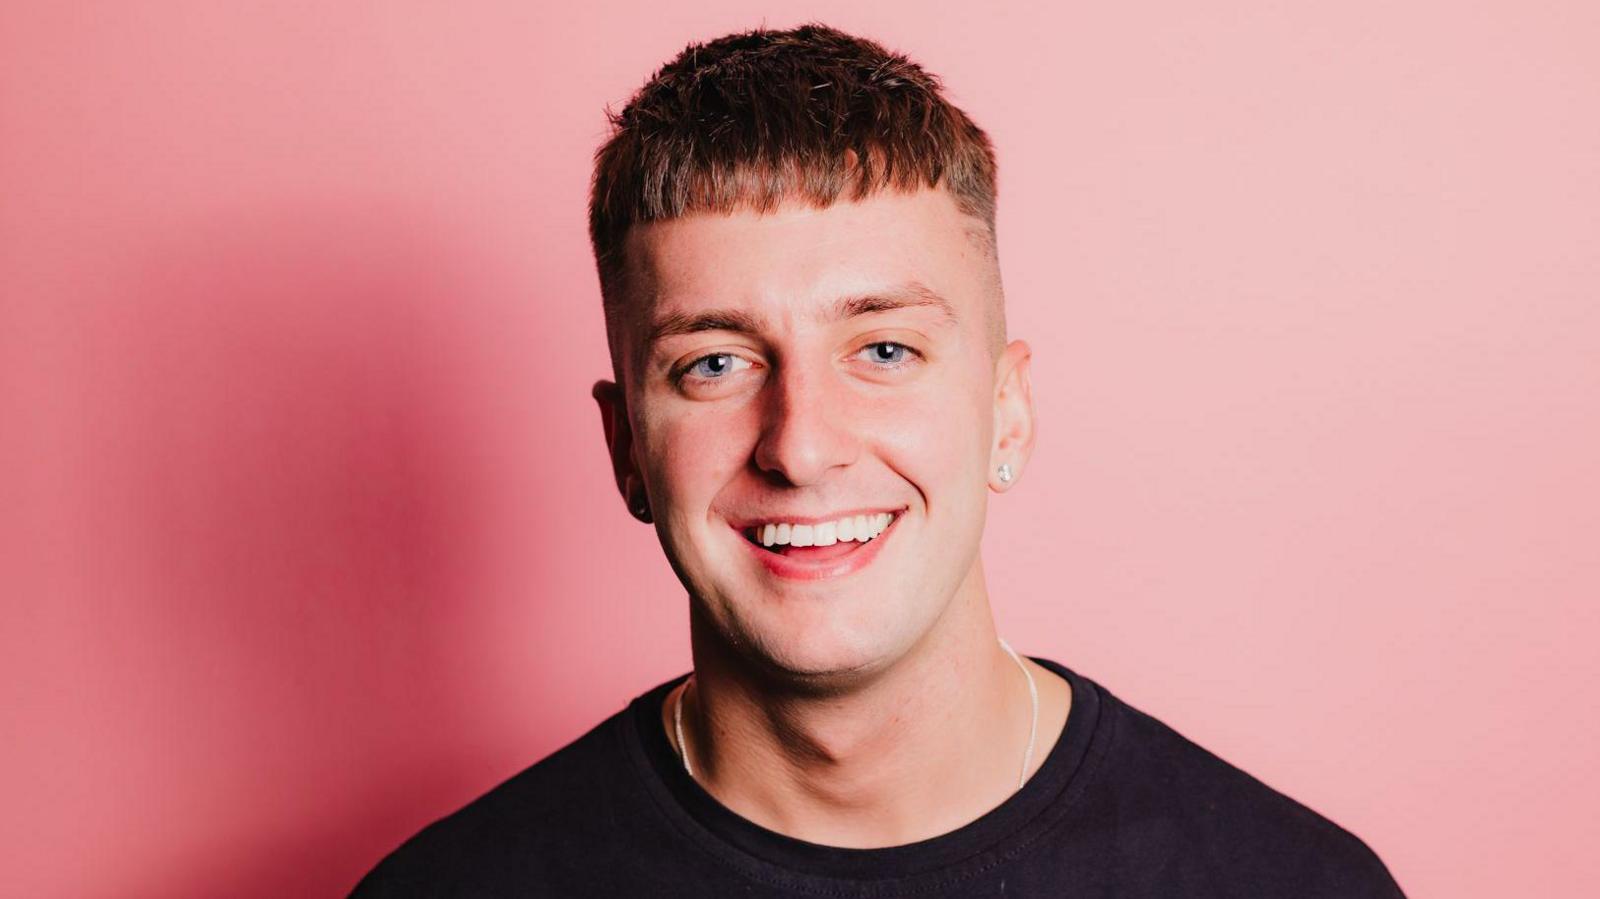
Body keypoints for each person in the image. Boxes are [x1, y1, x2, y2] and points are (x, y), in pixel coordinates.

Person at [351, 22, 1405, 897]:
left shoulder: (1288, 881)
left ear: (1005, 413)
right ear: (627, 447)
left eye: (885, 349)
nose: (801, 444)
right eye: (714, 362)